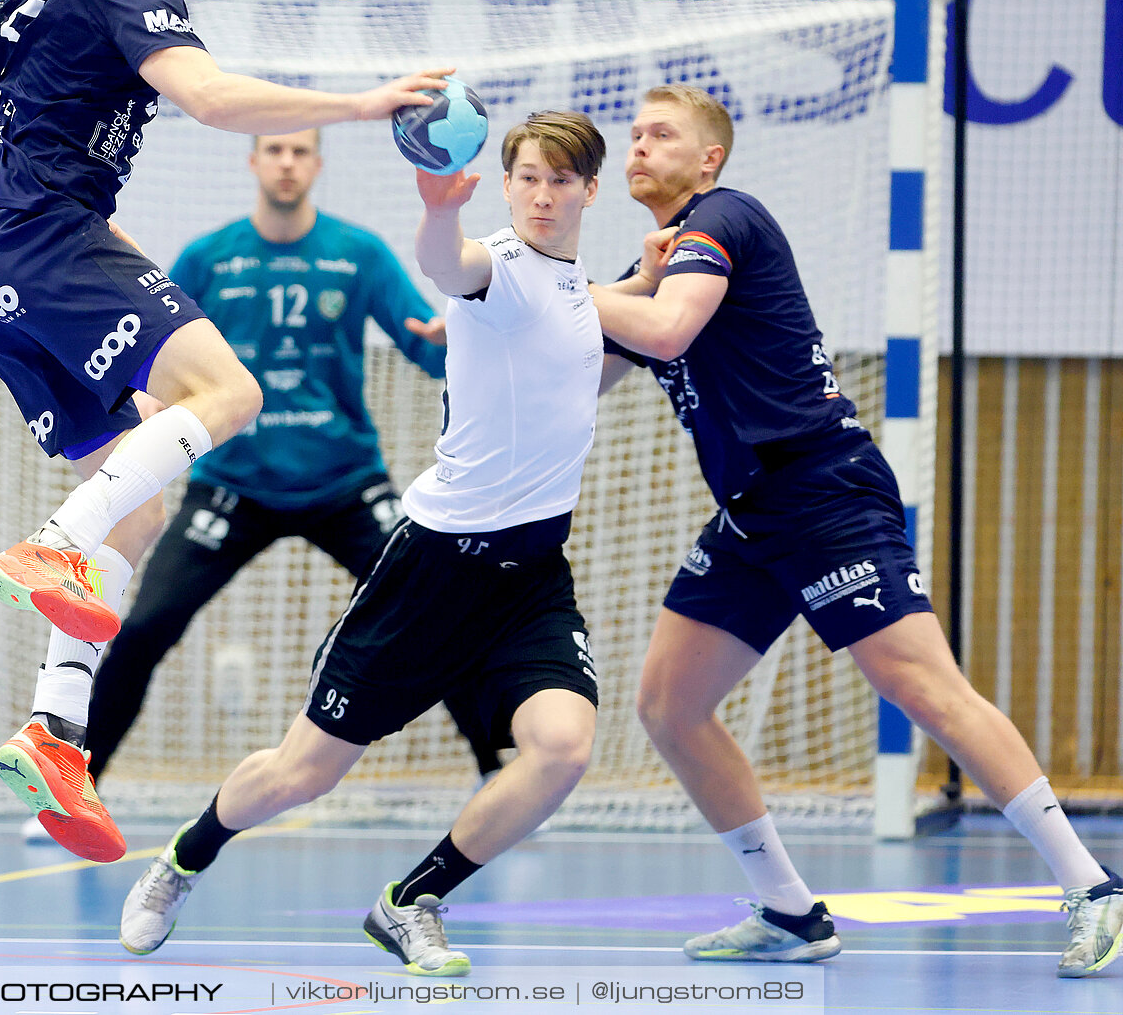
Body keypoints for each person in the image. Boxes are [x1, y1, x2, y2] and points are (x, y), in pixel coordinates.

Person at [0, 0, 447, 864]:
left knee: (137, 512)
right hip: (48, 245)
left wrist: (77, 220)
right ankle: (51, 543)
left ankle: (53, 735)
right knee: (230, 394)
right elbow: (213, 99)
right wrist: (363, 103)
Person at [589, 83, 1121, 977]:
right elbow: (599, 369)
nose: (638, 145)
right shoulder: (657, 266)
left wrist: (556, 280)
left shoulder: (726, 215)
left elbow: (671, 332)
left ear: (709, 157)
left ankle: (1092, 884)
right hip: (753, 512)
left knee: (923, 686)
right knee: (669, 706)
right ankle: (792, 912)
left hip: (823, 488)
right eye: (632, 133)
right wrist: (604, 288)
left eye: (661, 133)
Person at [119, 113, 608, 976]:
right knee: (304, 770)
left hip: (532, 571)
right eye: (527, 176)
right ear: (505, 184)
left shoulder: (581, 293)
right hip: (435, 562)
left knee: (563, 747)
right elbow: (447, 264)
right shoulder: (501, 268)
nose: (542, 194)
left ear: (587, 191)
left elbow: (599, 355)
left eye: (560, 180)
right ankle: (185, 856)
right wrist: (435, 210)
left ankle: (411, 899)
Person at [83, 128, 505, 789]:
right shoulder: (208, 258)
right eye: (274, 149)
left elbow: (427, 346)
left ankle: (496, 768)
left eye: (299, 150)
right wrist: (143, 397)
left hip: (344, 482)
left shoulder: (356, 253)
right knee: (144, 626)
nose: (286, 161)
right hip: (233, 485)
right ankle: (77, 782)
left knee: (430, 613)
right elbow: (157, 357)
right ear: (253, 161)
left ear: (317, 163)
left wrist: (468, 333)